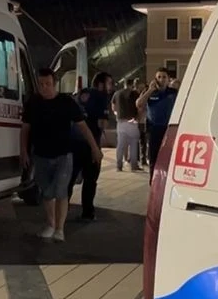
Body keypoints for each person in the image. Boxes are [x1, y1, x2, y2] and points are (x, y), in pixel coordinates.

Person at [21, 67, 102, 242]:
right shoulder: (33, 103)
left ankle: (59, 228)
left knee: (60, 190)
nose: (44, 88)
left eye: (48, 84)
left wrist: (94, 148)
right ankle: (50, 224)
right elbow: (25, 128)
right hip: (41, 155)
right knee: (46, 191)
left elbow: (83, 126)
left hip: (63, 154)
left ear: (55, 83)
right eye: (41, 84)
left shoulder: (66, 102)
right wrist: (24, 151)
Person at [68, 71, 113, 221]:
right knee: (90, 179)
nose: (111, 87)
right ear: (101, 84)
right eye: (109, 83)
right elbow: (102, 123)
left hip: (74, 142)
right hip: (91, 143)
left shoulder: (81, 93)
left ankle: (62, 208)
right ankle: (87, 212)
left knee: (70, 178)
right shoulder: (102, 97)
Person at [137, 67, 178, 178]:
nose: (161, 79)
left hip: (168, 130)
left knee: (169, 158)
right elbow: (139, 104)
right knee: (153, 158)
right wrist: (150, 90)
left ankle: (166, 180)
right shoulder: (149, 92)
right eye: (159, 77)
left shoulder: (173, 93)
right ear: (155, 79)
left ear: (168, 79)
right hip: (153, 130)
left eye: (164, 77)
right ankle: (153, 180)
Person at [112, 79, 142, 172]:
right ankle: (133, 165)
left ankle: (119, 166)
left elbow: (113, 106)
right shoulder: (135, 94)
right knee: (133, 144)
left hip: (120, 121)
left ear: (124, 84)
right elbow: (139, 107)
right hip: (132, 121)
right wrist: (138, 118)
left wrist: (117, 114)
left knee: (120, 144)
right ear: (132, 84)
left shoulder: (117, 93)